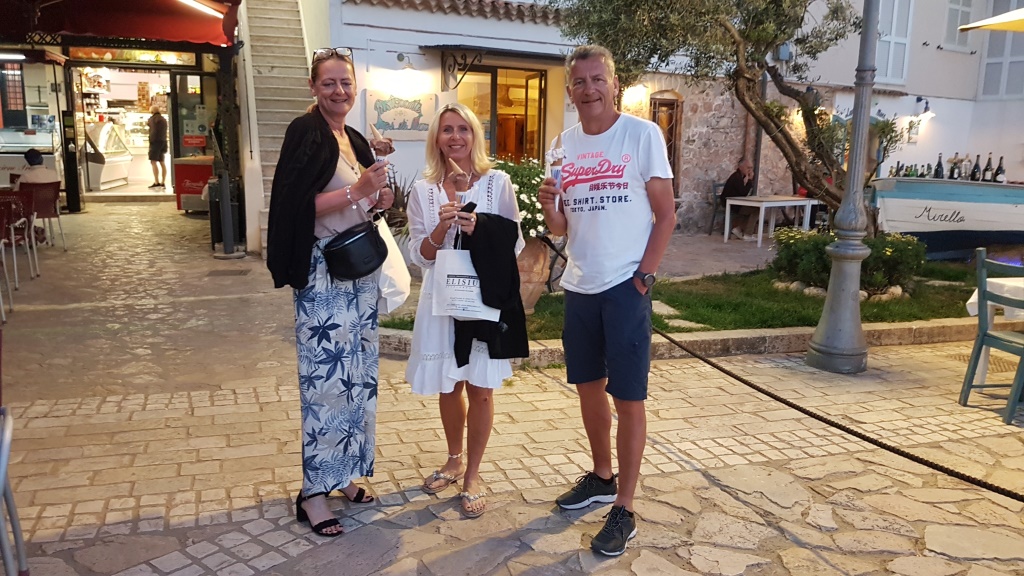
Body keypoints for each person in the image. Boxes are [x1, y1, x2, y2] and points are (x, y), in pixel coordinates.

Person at [537, 44, 675, 556]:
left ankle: (625, 507)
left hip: (624, 286)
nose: (589, 89)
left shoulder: (642, 135)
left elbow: (666, 214)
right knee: (588, 389)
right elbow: (561, 227)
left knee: (628, 396)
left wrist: (644, 276)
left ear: (614, 84)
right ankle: (600, 476)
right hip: (580, 285)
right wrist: (549, 207)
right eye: (580, 81)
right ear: (570, 90)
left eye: (598, 79)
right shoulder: (562, 146)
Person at [266, 47, 395, 537]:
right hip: (322, 275)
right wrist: (356, 191)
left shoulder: (354, 137)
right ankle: (312, 494)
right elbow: (293, 206)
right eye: (329, 83)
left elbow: (364, 203)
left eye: (345, 83)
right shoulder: (306, 132)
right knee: (325, 386)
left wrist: (379, 197)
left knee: (357, 379)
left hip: (359, 273)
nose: (339, 91)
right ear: (313, 87)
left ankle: (344, 475)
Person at [405, 103, 526, 519]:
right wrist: (443, 226)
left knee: (481, 387)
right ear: (436, 139)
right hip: (441, 300)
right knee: (448, 385)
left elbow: (514, 241)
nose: (455, 137)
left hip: (481, 296)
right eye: (446, 130)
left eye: (463, 129)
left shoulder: (497, 183)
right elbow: (420, 255)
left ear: (475, 136)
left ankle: (473, 473)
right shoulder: (423, 191)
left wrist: (480, 228)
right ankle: (454, 459)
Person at [721, 158, 758, 241]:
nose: (750, 170)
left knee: (753, 208)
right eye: (748, 167)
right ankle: (747, 234)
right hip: (731, 204)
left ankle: (738, 229)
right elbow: (743, 192)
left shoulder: (741, 176)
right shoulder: (736, 177)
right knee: (755, 209)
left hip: (736, 203)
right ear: (740, 167)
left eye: (751, 168)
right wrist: (750, 181)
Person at [147, 105, 168, 188]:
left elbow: (153, 131)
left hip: (155, 143)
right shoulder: (163, 119)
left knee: (153, 162)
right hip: (163, 142)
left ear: (152, 111)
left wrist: (151, 141)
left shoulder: (152, 119)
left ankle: (156, 181)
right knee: (162, 162)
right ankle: (163, 182)